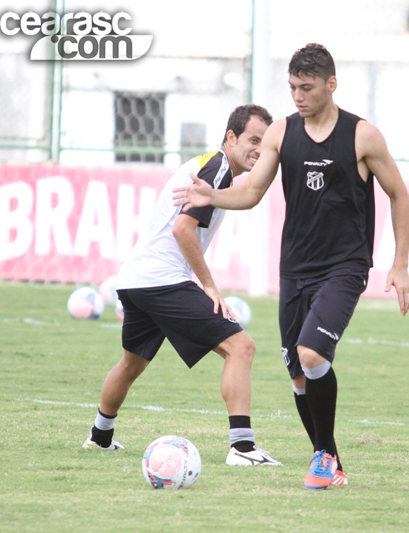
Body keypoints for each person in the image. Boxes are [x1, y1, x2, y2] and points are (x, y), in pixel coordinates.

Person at [173, 43, 409, 490]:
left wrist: (399, 264)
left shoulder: (363, 136)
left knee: (312, 353)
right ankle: (331, 461)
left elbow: (399, 194)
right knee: (299, 375)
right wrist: (211, 196)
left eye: (307, 87)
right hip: (295, 268)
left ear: (331, 84)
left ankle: (323, 457)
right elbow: (251, 193)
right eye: (292, 88)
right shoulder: (282, 132)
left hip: (345, 266)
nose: (298, 96)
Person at [83, 104, 281, 467]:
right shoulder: (218, 167)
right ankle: (242, 448)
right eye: (253, 139)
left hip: (136, 280)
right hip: (162, 280)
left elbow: (248, 195)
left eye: (264, 143)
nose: (258, 149)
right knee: (242, 347)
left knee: (132, 363)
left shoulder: (210, 164)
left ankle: (99, 437)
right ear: (231, 137)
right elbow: (182, 229)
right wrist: (209, 286)